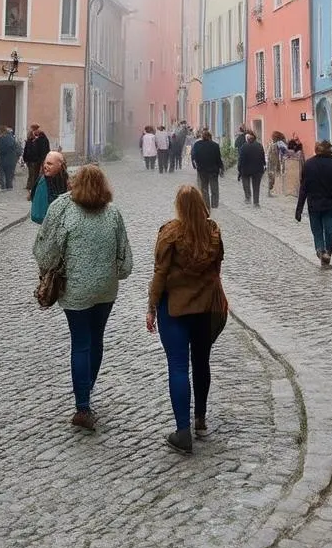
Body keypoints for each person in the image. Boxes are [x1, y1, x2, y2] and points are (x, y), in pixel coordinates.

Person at [33, 165, 133, 431]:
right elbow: (125, 260)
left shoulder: (63, 209)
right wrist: (115, 272)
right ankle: (86, 391)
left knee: (80, 342)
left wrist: (50, 269)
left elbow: (45, 251)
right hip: (105, 288)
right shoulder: (112, 214)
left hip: (75, 289)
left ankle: (83, 406)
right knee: (96, 337)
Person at [146, 185, 226, 454]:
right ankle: (200, 418)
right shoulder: (212, 232)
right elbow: (217, 268)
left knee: (179, 367)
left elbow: (160, 273)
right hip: (205, 307)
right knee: (201, 362)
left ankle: (183, 431)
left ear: (178, 206)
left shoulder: (170, 233)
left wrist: (152, 306)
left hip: (176, 309)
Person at [295, 140, 332, 266]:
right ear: (329, 150)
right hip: (330, 205)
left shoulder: (308, 165)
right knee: (330, 230)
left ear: (316, 150)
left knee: (317, 230)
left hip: (313, 204)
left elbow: (303, 189)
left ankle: (320, 250)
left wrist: (299, 209)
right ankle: (327, 252)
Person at [30, 151, 69, 223]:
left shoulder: (66, 181)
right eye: (45, 163)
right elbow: (32, 195)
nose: (45, 166)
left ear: (60, 165)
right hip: (47, 221)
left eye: (49, 164)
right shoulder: (41, 181)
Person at [190, 129, 224, 209]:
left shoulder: (197, 145)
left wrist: (195, 166)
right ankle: (214, 204)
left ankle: (206, 204)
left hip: (202, 170)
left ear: (202, 137)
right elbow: (218, 159)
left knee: (204, 188)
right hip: (213, 171)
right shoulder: (215, 145)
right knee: (214, 188)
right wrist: (221, 167)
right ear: (210, 137)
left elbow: (193, 157)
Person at [238, 131, 266, 206]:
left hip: (246, 169)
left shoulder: (244, 147)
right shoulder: (259, 146)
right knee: (256, 186)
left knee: (246, 184)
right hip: (257, 169)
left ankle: (248, 198)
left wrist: (239, 170)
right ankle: (256, 202)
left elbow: (241, 159)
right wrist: (264, 165)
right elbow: (262, 157)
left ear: (248, 139)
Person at [23, 124, 51, 199]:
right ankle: (31, 186)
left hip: (36, 159)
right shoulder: (36, 140)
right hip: (37, 159)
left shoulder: (38, 140)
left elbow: (37, 150)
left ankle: (33, 186)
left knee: (34, 174)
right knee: (34, 173)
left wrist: (26, 158)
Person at [267, 131, 288, 195]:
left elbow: (284, 152)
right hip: (273, 162)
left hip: (276, 163)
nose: (272, 138)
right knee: (272, 176)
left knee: (274, 176)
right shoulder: (275, 143)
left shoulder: (277, 143)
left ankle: (273, 190)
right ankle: (272, 189)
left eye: (273, 137)